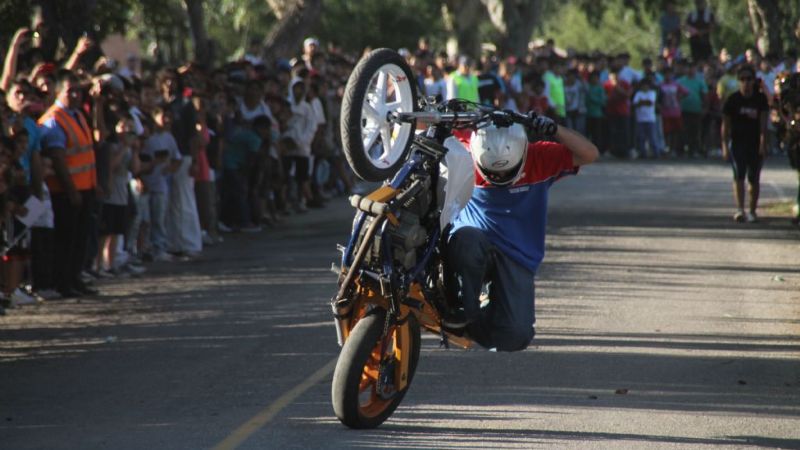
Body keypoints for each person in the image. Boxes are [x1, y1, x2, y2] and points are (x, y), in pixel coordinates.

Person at [446, 115, 599, 352]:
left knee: (514, 337)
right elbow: (415, 125)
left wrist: (554, 129)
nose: (499, 179)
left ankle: (481, 317)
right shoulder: (464, 148)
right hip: (473, 240)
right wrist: (444, 116)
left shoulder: (541, 156)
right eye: (492, 174)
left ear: (525, 153)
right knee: (467, 241)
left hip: (517, 253)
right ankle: (462, 308)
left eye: (507, 173)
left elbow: (589, 153)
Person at [38, 70, 99, 298]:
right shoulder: (54, 120)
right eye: (69, 91)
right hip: (65, 191)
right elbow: (58, 159)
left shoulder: (78, 115)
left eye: (78, 91)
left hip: (85, 187)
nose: (75, 95)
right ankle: (63, 282)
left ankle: (74, 279)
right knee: (66, 239)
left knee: (80, 239)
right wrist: (71, 190)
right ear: (58, 91)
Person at [721, 65, 769, 223]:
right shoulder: (733, 100)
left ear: (754, 80)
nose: (746, 82)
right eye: (742, 79)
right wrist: (724, 145)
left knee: (754, 178)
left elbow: (763, 124)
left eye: (749, 79)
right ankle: (740, 209)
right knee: (739, 175)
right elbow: (725, 125)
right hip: (737, 143)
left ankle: (753, 211)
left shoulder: (760, 99)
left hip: (755, 143)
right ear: (738, 81)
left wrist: (763, 143)